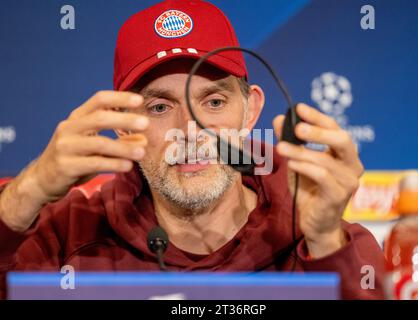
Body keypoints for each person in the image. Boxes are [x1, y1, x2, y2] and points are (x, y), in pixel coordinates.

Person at [0, 0, 384, 299]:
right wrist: (27, 191)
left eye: (214, 102)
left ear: (250, 110)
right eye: (159, 107)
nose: (189, 131)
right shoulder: (65, 239)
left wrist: (325, 245)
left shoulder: (331, 240)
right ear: (121, 123)